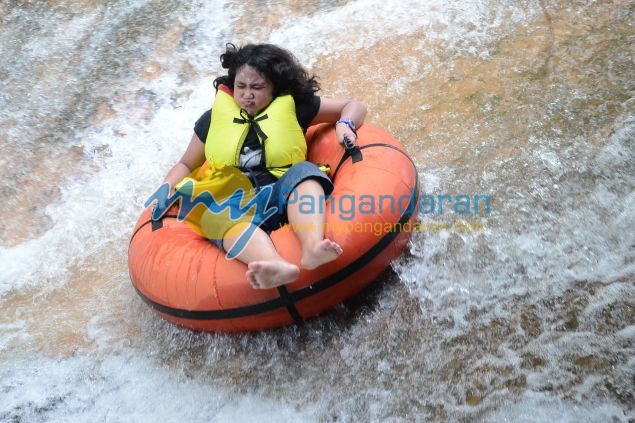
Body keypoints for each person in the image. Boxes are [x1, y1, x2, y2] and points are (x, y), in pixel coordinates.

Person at [160, 43, 367, 290]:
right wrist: (166, 189)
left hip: (282, 191)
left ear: (274, 88)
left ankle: (312, 247)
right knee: (213, 214)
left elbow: (354, 105)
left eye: (257, 87)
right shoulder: (212, 120)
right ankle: (273, 264)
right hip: (236, 202)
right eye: (241, 86)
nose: (248, 94)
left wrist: (345, 124)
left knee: (304, 172)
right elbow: (185, 163)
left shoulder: (297, 107)